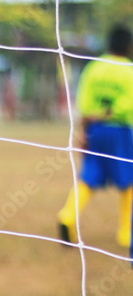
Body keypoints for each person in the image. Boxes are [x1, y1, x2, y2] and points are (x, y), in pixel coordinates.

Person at [56, 24, 133, 249]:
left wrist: (82, 129)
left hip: (93, 129)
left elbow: (83, 102)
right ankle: (126, 234)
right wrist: (107, 114)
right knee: (128, 181)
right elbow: (126, 105)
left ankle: (67, 216)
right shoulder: (128, 70)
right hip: (119, 130)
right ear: (128, 46)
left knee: (89, 177)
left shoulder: (93, 68)